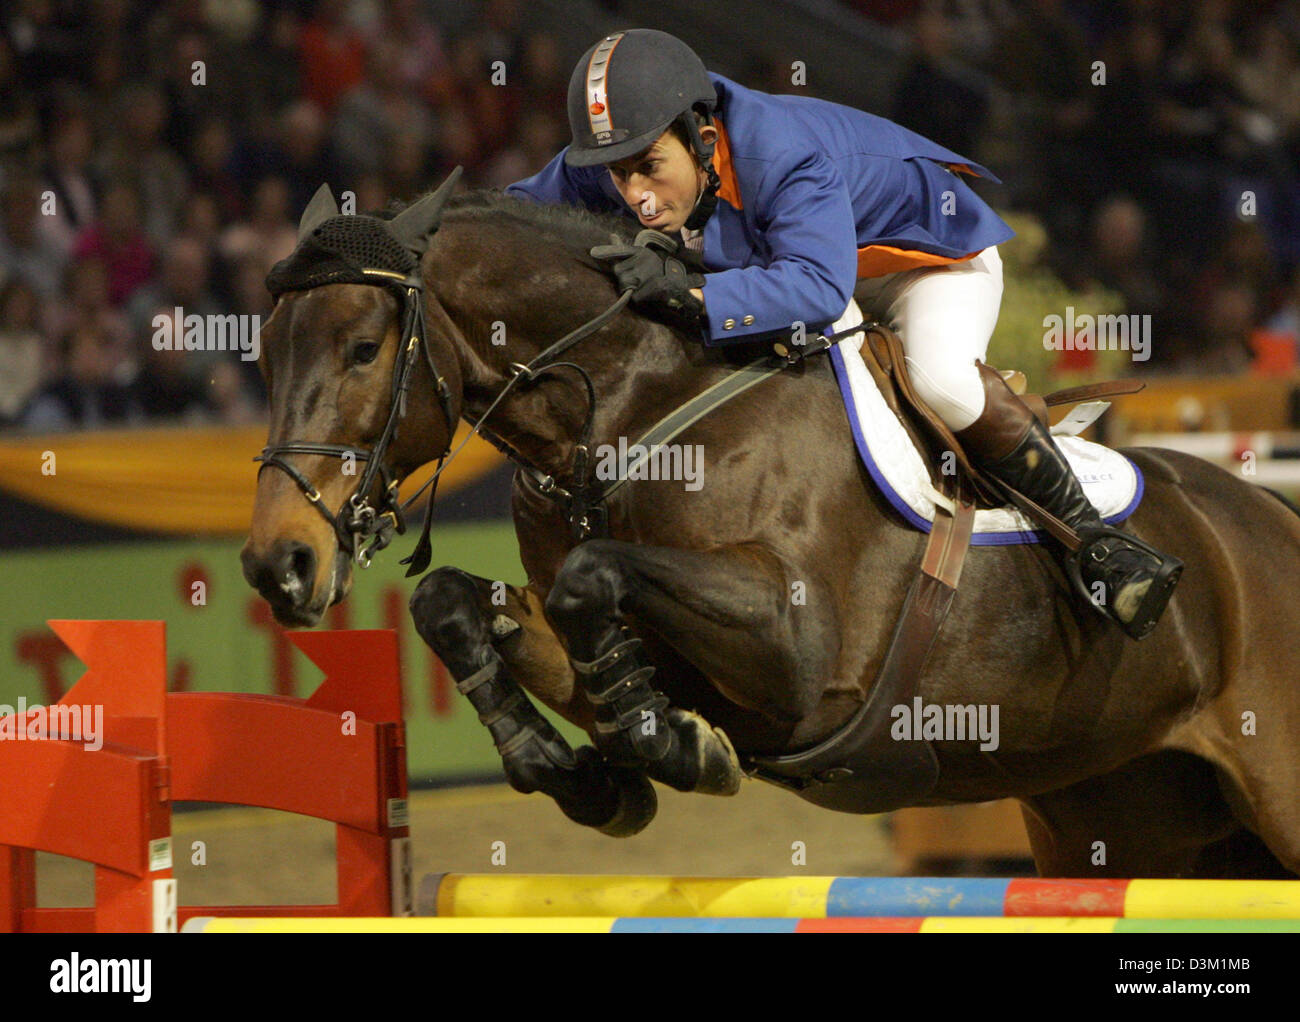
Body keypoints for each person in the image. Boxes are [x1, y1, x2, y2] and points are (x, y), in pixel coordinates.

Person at [507, 29, 1181, 640]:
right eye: (619, 175)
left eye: (649, 167)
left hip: (923, 263)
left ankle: (1096, 543)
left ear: (702, 136)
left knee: (938, 380)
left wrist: (690, 292)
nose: (638, 198)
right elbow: (506, 215)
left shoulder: (780, 151)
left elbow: (815, 291)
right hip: (814, 270)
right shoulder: (626, 154)